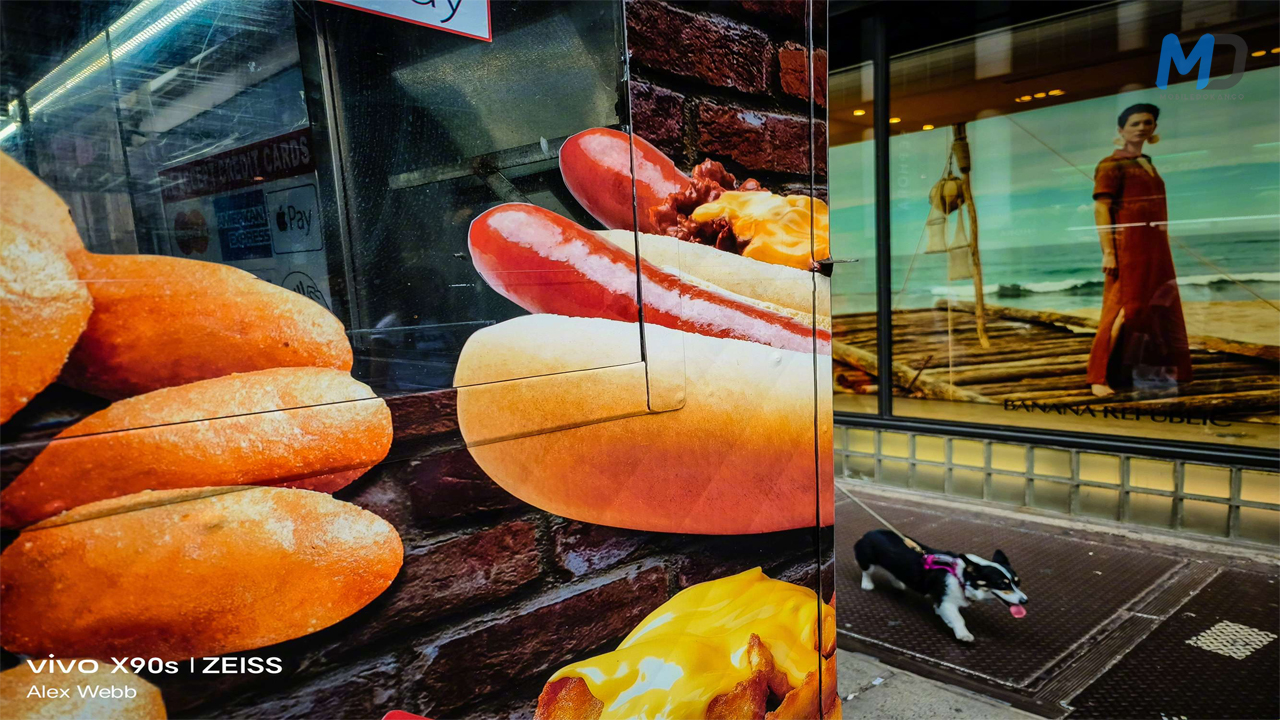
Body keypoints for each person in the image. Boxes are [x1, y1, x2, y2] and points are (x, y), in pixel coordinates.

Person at [1087, 103, 1192, 397]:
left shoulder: (1147, 162)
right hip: (1129, 247)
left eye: (1148, 122)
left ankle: (1153, 372)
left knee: (1158, 307)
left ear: (1154, 128)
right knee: (1123, 309)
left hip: (1155, 247)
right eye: (1135, 123)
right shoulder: (1111, 163)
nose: (1142, 127)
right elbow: (1101, 208)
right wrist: (1108, 251)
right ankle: (1099, 377)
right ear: (1121, 130)